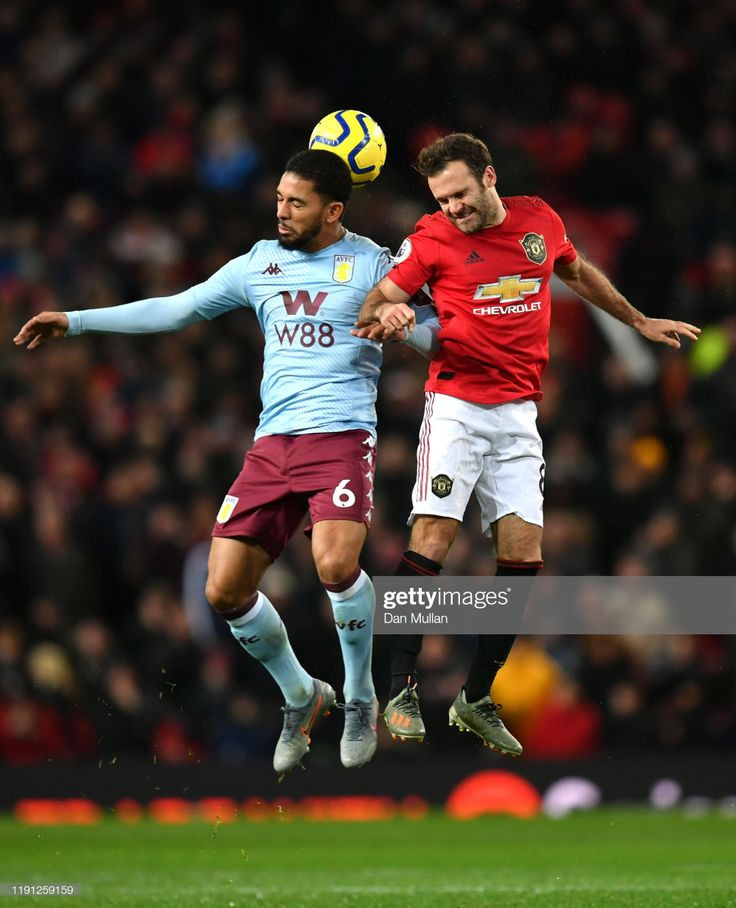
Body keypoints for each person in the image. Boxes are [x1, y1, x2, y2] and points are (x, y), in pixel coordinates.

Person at [14, 149, 431, 775]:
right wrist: (75, 321)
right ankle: (300, 693)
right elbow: (177, 308)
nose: (282, 212)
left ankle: (359, 698)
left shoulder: (374, 264)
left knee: (335, 562)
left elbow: (440, 335)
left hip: (340, 435)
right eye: (280, 199)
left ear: (333, 210)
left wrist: (407, 326)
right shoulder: (259, 263)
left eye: (297, 203)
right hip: (272, 446)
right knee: (224, 589)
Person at [355, 132, 700, 754]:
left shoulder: (539, 219)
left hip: (518, 415)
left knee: (524, 560)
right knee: (432, 538)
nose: (452, 208)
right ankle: (398, 685)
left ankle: (475, 696)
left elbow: (577, 270)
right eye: (442, 198)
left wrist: (637, 320)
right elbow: (374, 303)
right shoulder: (431, 238)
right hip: (457, 406)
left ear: (488, 178)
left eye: (459, 194)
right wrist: (393, 314)